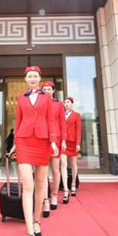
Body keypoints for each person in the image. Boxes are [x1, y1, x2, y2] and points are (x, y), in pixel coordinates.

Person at [9, 66, 58, 236]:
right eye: (29, 76)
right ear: (26, 79)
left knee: (40, 184)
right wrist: (15, 143)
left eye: (35, 76)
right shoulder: (21, 98)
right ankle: (30, 234)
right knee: (28, 185)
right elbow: (18, 121)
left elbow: (51, 120)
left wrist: (53, 141)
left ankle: (37, 219)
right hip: (24, 141)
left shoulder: (47, 98)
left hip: (43, 141)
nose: (32, 78)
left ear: (39, 78)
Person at [41, 81, 66, 217]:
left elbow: (63, 122)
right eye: (44, 89)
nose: (47, 91)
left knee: (55, 170)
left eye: (49, 89)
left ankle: (54, 195)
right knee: (43, 172)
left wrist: (64, 140)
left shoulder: (59, 104)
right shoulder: (39, 103)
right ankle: (45, 199)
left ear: (53, 90)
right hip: (43, 139)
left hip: (56, 139)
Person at [61, 97, 81, 203]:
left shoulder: (77, 115)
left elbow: (78, 130)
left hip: (73, 142)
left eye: (68, 102)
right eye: (65, 102)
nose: (66, 104)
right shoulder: (61, 115)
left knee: (73, 164)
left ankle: (73, 183)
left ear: (72, 104)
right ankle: (65, 189)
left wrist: (78, 143)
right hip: (63, 142)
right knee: (63, 164)